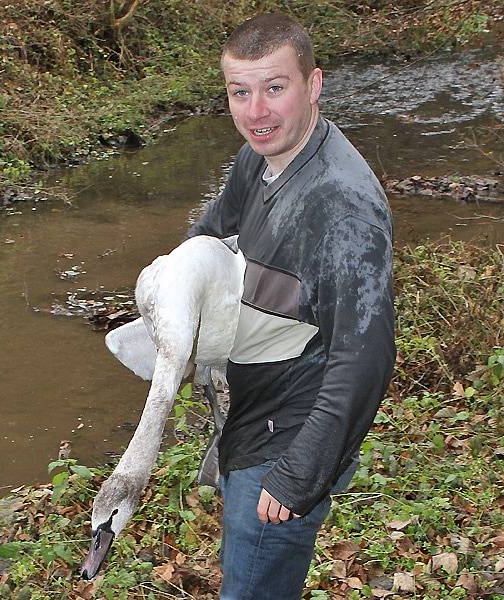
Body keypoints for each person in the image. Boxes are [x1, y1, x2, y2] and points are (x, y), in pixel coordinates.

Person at [185, 13, 396, 600]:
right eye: (240, 92)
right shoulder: (258, 156)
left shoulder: (343, 205)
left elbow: (365, 358)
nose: (256, 112)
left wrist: (300, 474)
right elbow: (209, 237)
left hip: (290, 440)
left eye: (275, 88)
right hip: (252, 413)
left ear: (314, 84)